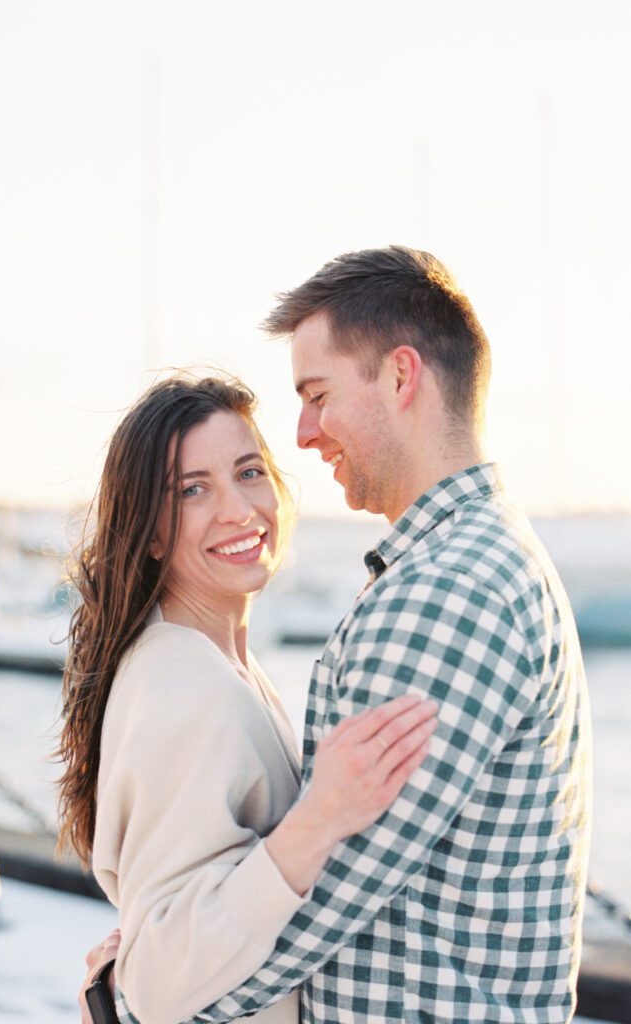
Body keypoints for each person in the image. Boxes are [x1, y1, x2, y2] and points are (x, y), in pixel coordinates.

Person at [86, 246, 591, 1024]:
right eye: (193, 489)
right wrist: (142, 979)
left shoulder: (441, 592)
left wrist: (131, 995)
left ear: (399, 377)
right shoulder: (472, 560)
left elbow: (328, 897)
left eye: (318, 395)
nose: (306, 431)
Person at [57, 373, 437, 1024]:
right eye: (193, 490)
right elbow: (156, 984)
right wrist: (319, 819)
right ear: (149, 532)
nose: (238, 509)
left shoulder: (210, 659)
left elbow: (165, 924)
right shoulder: (185, 685)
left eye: (250, 472)